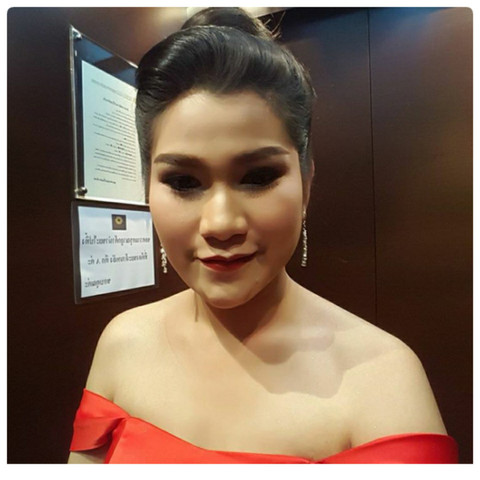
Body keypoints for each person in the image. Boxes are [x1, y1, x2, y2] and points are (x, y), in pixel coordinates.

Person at [68, 7, 457, 464]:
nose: (221, 223)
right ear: (147, 186)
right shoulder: (123, 343)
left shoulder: (384, 382)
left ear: (306, 181)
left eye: (257, 177)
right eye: (184, 182)